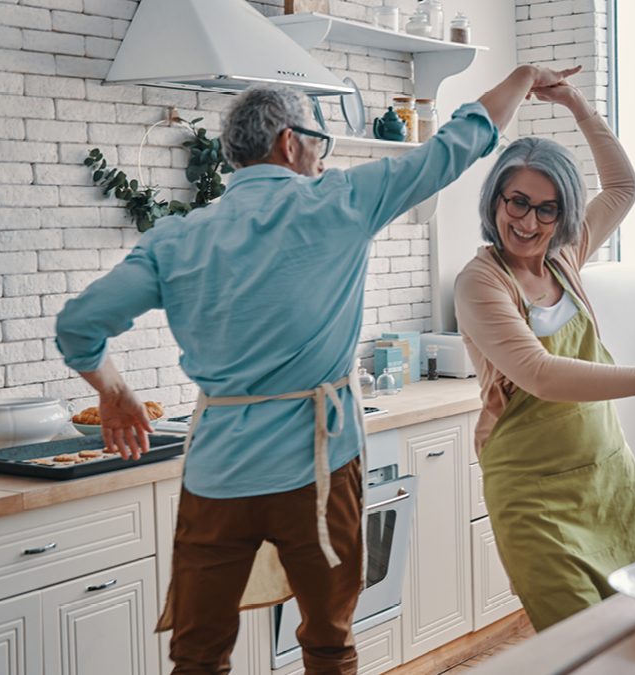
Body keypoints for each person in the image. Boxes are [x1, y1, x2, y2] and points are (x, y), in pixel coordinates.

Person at [54, 64, 580, 675]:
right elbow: (459, 142)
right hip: (321, 469)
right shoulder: (342, 201)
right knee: (329, 644)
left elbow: (78, 326)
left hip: (218, 475)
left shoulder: (177, 239)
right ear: (290, 142)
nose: (324, 157)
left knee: (197, 654)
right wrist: (521, 77)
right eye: (319, 141)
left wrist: (115, 391)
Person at [454, 80, 635, 632]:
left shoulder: (564, 257)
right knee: (584, 645)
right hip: (534, 496)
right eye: (517, 202)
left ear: (563, 215)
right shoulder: (481, 283)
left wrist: (576, 106)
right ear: (496, 200)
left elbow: (623, 186)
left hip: (609, 480)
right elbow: (539, 374)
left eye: (547, 210)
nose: (528, 223)